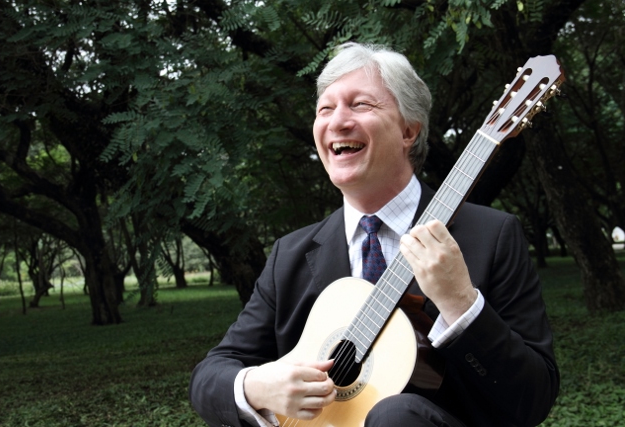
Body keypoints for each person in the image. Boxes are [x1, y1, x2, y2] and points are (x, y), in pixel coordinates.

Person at [189, 42, 559, 427]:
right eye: (325, 109)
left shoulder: (492, 236)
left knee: (395, 415)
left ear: (409, 130)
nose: (337, 121)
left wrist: (461, 304)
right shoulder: (290, 255)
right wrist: (258, 385)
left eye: (360, 104)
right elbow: (209, 375)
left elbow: (531, 400)